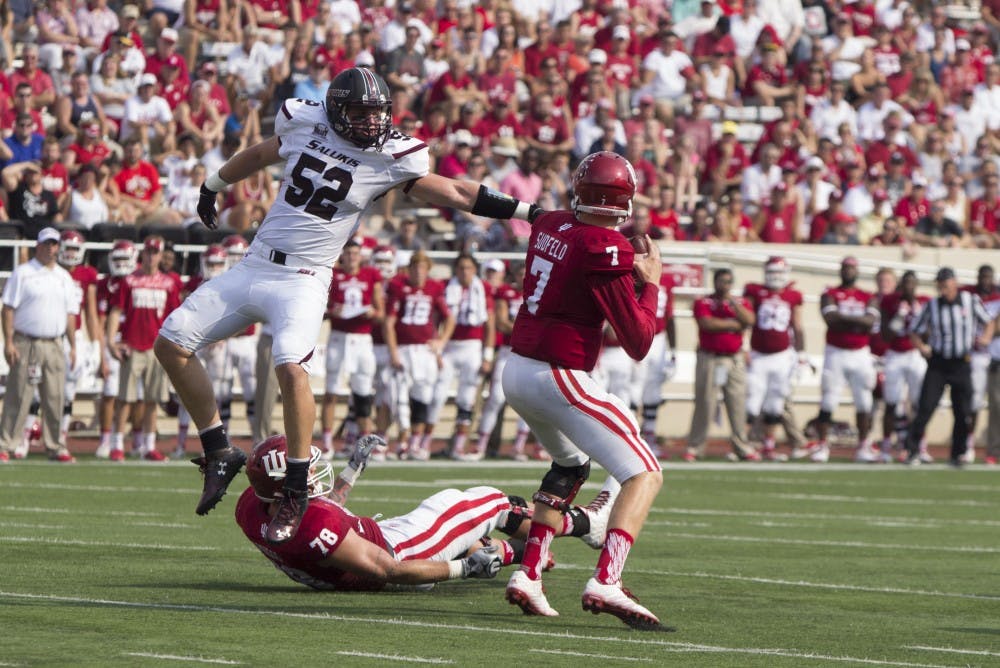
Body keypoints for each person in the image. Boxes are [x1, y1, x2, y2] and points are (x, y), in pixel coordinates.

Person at [155, 67, 541, 545]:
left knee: (290, 366)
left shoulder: (393, 156)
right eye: (359, 113)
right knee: (171, 342)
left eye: (376, 113)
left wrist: (531, 213)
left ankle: (297, 483)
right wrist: (213, 184)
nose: (369, 122)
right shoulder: (303, 119)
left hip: (304, 278)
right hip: (254, 265)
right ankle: (218, 448)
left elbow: (460, 192)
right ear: (335, 108)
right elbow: (259, 154)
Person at [499, 151, 669, 631]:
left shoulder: (551, 222)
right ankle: (606, 579)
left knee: (573, 461)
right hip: (557, 373)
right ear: (622, 199)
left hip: (517, 369)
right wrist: (649, 285)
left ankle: (529, 574)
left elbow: (556, 233)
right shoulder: (604, 245)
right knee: (645, 472)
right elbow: (637, 341)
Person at [234, 433, 616, 591]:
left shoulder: (253, 508)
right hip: (400, 551)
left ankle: (520, 553)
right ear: (284, 486)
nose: (311, 472)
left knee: (474, 537)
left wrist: (353, 469)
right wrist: (463, 570)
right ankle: (586, 524)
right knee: (492, 501)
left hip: (373, 546)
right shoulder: (314, 525)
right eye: (302, 470)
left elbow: (321, 512)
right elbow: (388, 568)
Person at [0, 228, 79, 463]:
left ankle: (56, 446)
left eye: (54, 244)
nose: (51, 248)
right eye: (47, 244)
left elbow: (71, 314)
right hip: (27, 341)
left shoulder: (64, 277)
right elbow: (8, 308)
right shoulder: (23, 273)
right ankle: (6, 444)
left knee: (55, 397)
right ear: (38, 246)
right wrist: (9, 341)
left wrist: (73, 345)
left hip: (55, 342)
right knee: (18, 395)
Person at [905, 267, 995, 467]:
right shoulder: (932, 305)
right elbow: (914, 330)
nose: (943, 289)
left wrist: (987, 337)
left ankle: (958, 453)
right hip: (938, 363)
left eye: (945, 285)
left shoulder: (969, 301)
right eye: (940, 285)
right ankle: (912, 450)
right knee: (926, 407)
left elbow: (988, 322)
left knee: (962, 411)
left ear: (954, 283)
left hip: (961, 363)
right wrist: (921, 347)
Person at [108, 236, 181, 462]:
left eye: (154, 252)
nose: (151, 256)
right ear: (142, 254)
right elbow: (116, 310)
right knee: (125, 399)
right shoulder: (129, 280)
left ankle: (149, 445)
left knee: (152, 400)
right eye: (148, 252)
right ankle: (116, 444)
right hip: (132, 344)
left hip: (156, 347)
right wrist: (111, 340)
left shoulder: (169, 283)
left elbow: (174, 316)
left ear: (160, 255)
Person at [802, 256, 879, 463]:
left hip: (860, 353)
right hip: (835, 352)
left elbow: (870, 321)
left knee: (864, 401)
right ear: (840, 270)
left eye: (852, 268)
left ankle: (863, 446)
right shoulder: (830, 293)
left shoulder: (867, 295)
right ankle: (822, 445)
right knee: (828, 399)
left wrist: (844, 318)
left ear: (857, 271)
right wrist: (857, 322)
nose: (848, 271)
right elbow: (830, 319)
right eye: (846, 268)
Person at [686, 268, 758, 462]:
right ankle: (695, 446)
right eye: (721, 281)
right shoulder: (705, 301)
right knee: (705, 402)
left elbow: (750, 320)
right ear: (715, 281)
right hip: (710, 357)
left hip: (733, 358)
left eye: (727, 281)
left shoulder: (739, 302)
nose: (724, 285)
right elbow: (706, 323)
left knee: (737, 403)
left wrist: (733, 306)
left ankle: (742, 446)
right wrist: (733, 325)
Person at [320, 240, 383, 458]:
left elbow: (380, 312)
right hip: (339, 337)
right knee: (331, 392)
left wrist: (372, 313)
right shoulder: (332, 275)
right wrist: (331, 310)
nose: (352, 257)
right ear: (342, 255)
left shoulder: (370, 274)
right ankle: (327, 441)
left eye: (355, 253)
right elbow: (322, 308)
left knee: (363, 393)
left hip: (362, 339)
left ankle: (364, 440)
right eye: (348, 253)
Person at [430, 253, 495, 460]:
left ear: (475, 270)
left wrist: (487, 355)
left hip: (472, 346)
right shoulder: (446, 285)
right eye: (461, 268)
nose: (464, 272)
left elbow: (489, 324)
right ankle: (423, 442)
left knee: (466, 399)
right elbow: (436, 318)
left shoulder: (482, 288)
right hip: (450, 346)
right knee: (437, 395)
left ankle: (458, 445)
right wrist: (437, 347)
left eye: (468, 268)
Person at [743, 257, 807, 461]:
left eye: (779, 273)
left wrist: (801, 354)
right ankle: (745, 444)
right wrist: (743, 347)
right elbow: (747, 321)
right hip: (758, 355)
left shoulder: (793, 295)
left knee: (775, 404)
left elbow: (797, 325)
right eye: (772, 272)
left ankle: (768, 446)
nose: (775, 277)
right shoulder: (755, 291)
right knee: (752, 401)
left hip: (782, 356)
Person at [878, 270, 929, 462]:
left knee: (919, 404)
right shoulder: (891, 301)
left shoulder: (923, 302)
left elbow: (927, 335)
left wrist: (918, 317)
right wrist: (900, 316)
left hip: (915, 355)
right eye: (906, 283)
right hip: (895, 355)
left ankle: (919, 445)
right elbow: (886, 335)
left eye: (912, 283)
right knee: (891, 403)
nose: (909, 287)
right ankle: (885, 447)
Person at [961, 265, 1000, 463]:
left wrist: (989, 331)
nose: (985, 280)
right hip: (976, 356)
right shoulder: (968, 296)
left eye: (988, 277)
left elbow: (995, 326)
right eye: (982, 276)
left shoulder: (997, 297)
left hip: (994, 356)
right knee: (974, 402)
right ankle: (970, 445)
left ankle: (994, 449)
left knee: (997, 405)